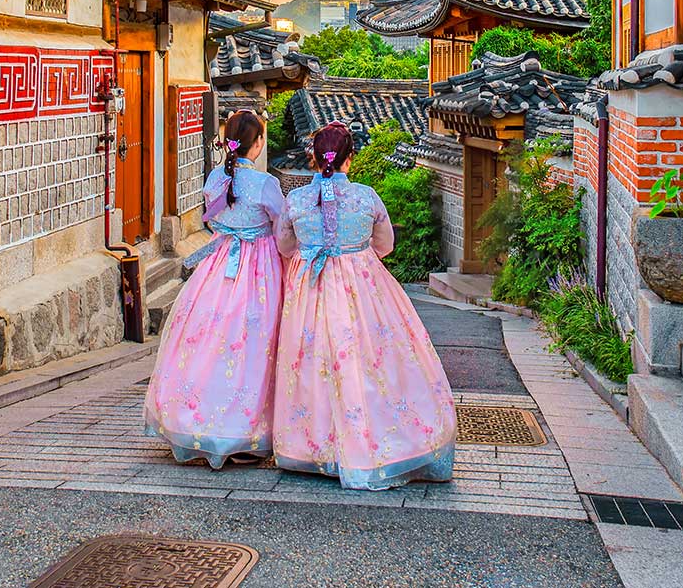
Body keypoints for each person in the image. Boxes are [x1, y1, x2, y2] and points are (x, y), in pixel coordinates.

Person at [272, 121, 457, 490]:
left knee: (313, 360)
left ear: (313, 156)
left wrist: (310, 253)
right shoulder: (366, 197)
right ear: (349, 158)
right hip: (362, 284)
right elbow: (385, 243)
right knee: (370, 359)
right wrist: (355, 255)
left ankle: (312, 447)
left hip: (311, 286)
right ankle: (376, 441)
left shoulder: (296, 200)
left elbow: (283, 244)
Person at [144, 110, 285, 468]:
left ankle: (197, 419)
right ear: (256, 144)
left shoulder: (214, 180)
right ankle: (246, 430)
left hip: (218, 264)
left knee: (210, 340)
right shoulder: (266, 184)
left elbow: (215, 220)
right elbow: (281, 229)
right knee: (253, 342)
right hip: (257, 268)